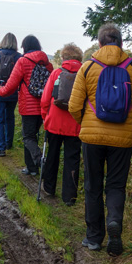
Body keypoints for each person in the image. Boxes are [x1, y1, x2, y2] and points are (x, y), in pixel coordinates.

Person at [67, 23, 132, 256]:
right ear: (121, 43)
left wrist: (85, 122)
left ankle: (94, 238)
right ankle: (114, 222)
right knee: (115, 185)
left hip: (92, 138)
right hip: (123, 139)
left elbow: (74, 106)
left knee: (93, 185)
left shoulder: (87, 68)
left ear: (100, 43)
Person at [0, 35, 52, 176]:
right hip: (43, 105)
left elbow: (11, 84)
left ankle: (39, 160)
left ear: (25, 47)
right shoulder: (47, 63)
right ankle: (31, 167)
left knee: (28, 137)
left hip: (28, 107)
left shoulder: (23, 61)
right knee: (32, 135)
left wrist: (0, 91)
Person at [39, 43, 83, 206]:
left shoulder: (56, 73)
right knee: (72, 159)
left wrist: (45, 117)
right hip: (75, 124)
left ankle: (49, 187)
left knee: (52, 155)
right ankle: (69, 197)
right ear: (79, 59)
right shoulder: (84, 75)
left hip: (54, 123)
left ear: (64, 58)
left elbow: (45, 99)